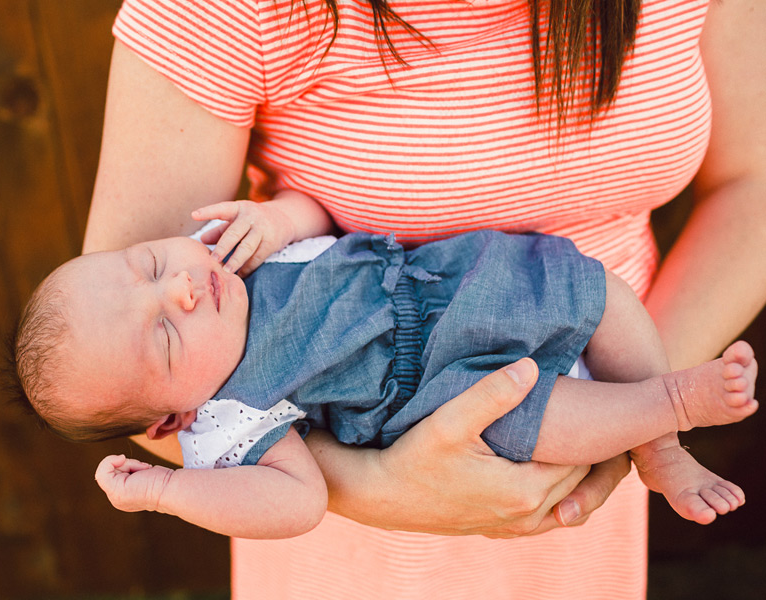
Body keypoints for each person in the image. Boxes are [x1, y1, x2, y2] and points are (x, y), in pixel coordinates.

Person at [81, 0, 766, 597]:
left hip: (598, 440)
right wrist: (384, 487)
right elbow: (125, 373)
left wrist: (628, 418)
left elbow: (752, 186)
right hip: (360, 512)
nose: (175, 287)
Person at [14, 195, 758, 538]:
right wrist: (173, 490)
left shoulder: (234, 251)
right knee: (537, 414)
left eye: (148, 266)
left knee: (598, 293)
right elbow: (294, 503)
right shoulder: (227, 419)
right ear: (171, 418)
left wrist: (276, 217)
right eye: (167, 337)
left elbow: (315, 213)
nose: (178, 288)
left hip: (459, 282)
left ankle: (661, 453)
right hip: (434, 394)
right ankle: (675, 405)